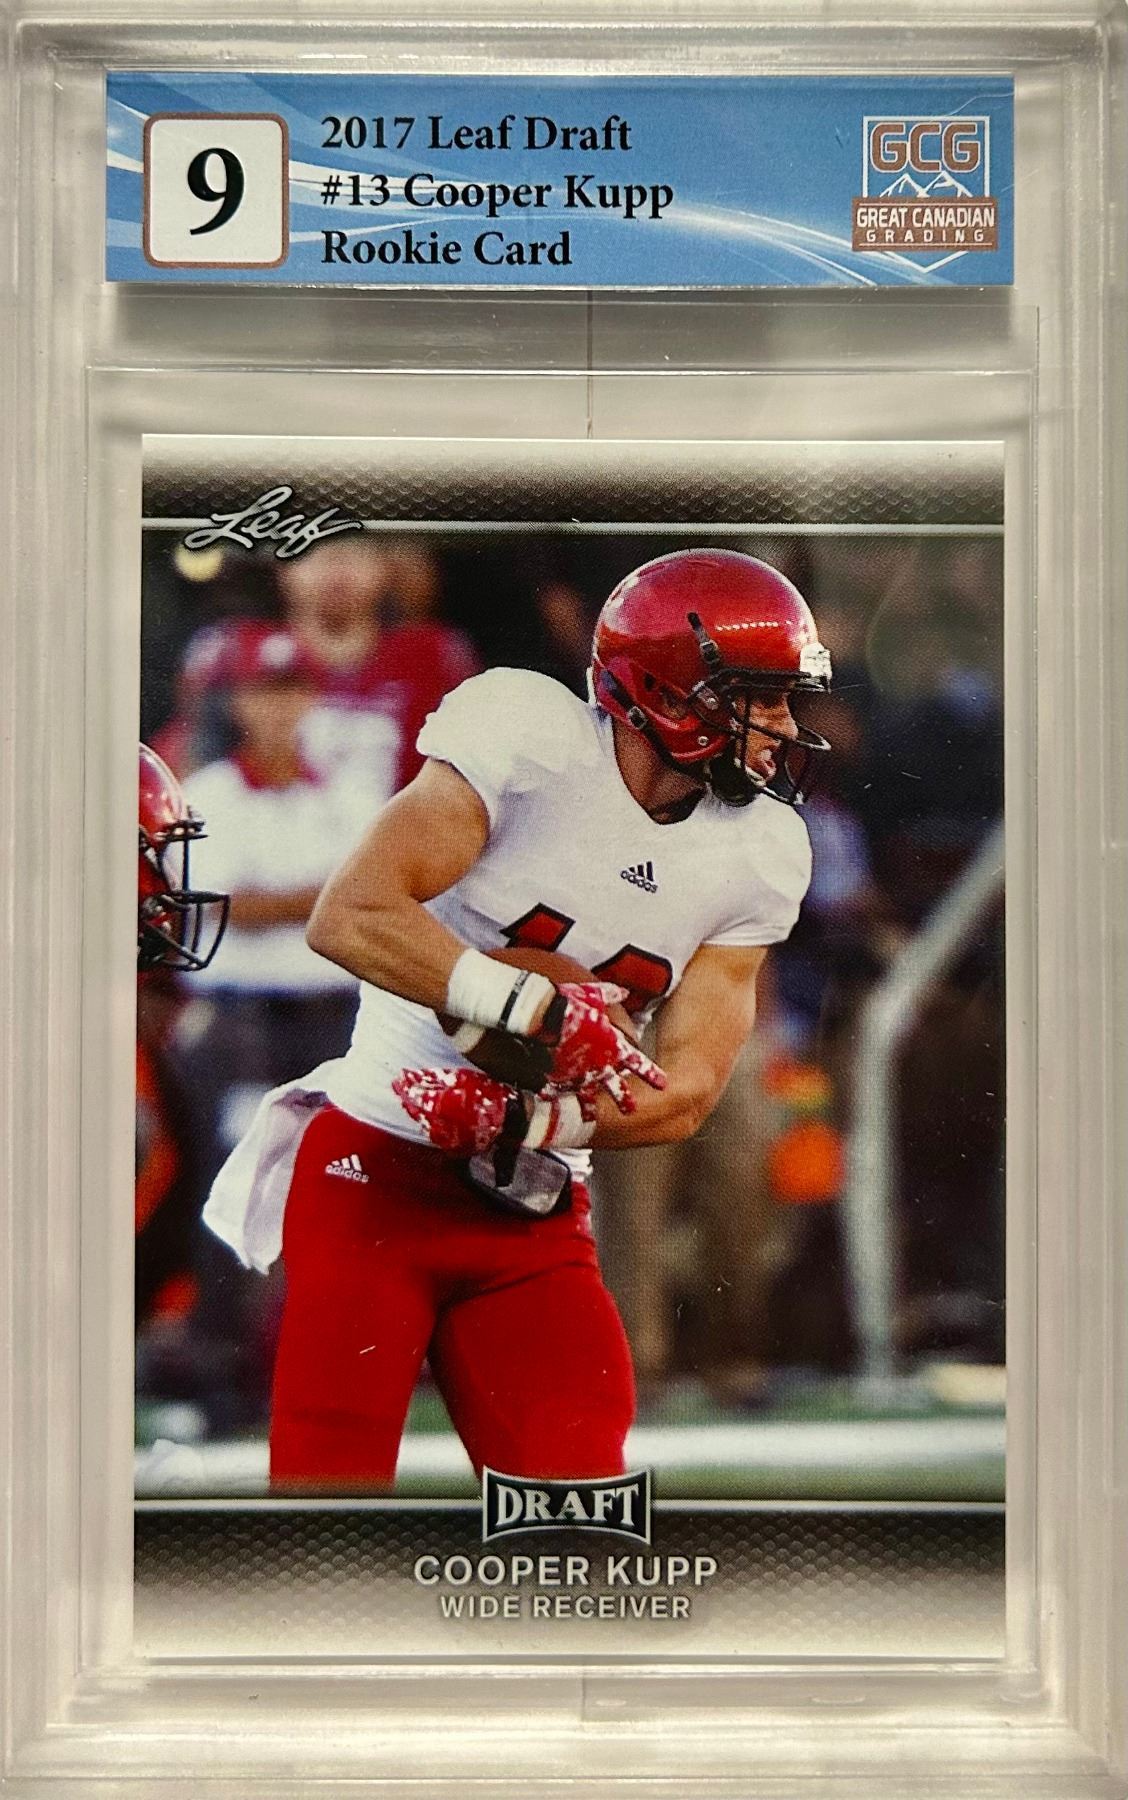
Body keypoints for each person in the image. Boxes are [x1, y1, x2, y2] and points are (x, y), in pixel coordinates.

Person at [203, 549, 832, 1490]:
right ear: (667, 692)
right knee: (327, 1500)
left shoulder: (764, 850)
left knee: (576, 1503)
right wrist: (527, 1004)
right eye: (760, 697)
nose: (782, 725)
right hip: (375, 1168)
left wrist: (519, 1118)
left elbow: (688, 1091)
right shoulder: (530, 738)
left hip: (530, 1209)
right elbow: (352, 914)